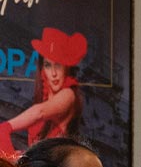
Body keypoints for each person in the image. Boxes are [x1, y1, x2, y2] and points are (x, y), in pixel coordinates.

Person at [0, 29, 87, 158]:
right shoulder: (44, 100)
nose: (53, 73)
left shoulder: (68, 94)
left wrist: (6, 127)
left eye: (58, 65)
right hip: (42, 164)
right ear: (42, 70)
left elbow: (40, 112)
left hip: (57, 165)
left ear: (66, 67)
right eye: (48, 65)